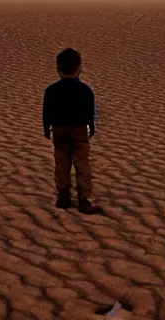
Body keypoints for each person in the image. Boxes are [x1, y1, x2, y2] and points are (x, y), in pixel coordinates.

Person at [42, 48, 103, 215]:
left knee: (62, 162)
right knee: (82, 164)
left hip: (59, 129)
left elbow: (46, 111)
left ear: (58, 68)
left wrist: (46, 128)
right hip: (79, 130)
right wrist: (91, 126)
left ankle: (64, 196)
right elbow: (89, 112)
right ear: (79, 68)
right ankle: (84, 199)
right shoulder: (85, 90)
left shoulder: (51, 90)